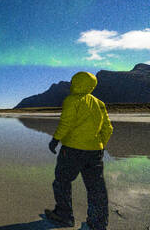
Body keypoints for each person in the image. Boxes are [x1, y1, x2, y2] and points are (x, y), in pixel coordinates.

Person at [44, 72, 113, 230]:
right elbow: (108, 128)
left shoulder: (72, 100)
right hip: (95, 152)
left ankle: (64, 216)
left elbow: (66, 123)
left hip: (72, 150)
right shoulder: (99, 103)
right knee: (96, 188)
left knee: (62, 181)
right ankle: (97, 223)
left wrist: (55, 140)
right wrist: (99, 144)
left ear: (76, 83)